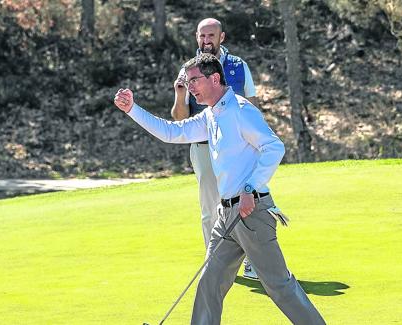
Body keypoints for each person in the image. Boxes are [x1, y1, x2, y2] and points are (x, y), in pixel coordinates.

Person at [114, 53, 325, 325]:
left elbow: (274, 147)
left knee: (278, 286)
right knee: (209, 283)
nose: (190, 87)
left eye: (194, 81)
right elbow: (171, 132)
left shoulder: (240, 109)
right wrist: (132, 109)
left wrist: (251, 187)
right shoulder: (210, 115)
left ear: (215, 78)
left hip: (252, 211)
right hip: (226, 215)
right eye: (188, 82)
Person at [172, 17, 259, 280]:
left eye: (211, 36)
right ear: (196, 38)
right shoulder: (189, 71)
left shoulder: (238, 66)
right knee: (211, 207)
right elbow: (180, 119)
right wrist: (179, 93)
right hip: (203, 147)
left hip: (238, 148)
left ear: (222, 37)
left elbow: (252, 107)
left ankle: (251, 261)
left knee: (245, 202)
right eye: (202, 36)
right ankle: (215, 261)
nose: (206, 41)